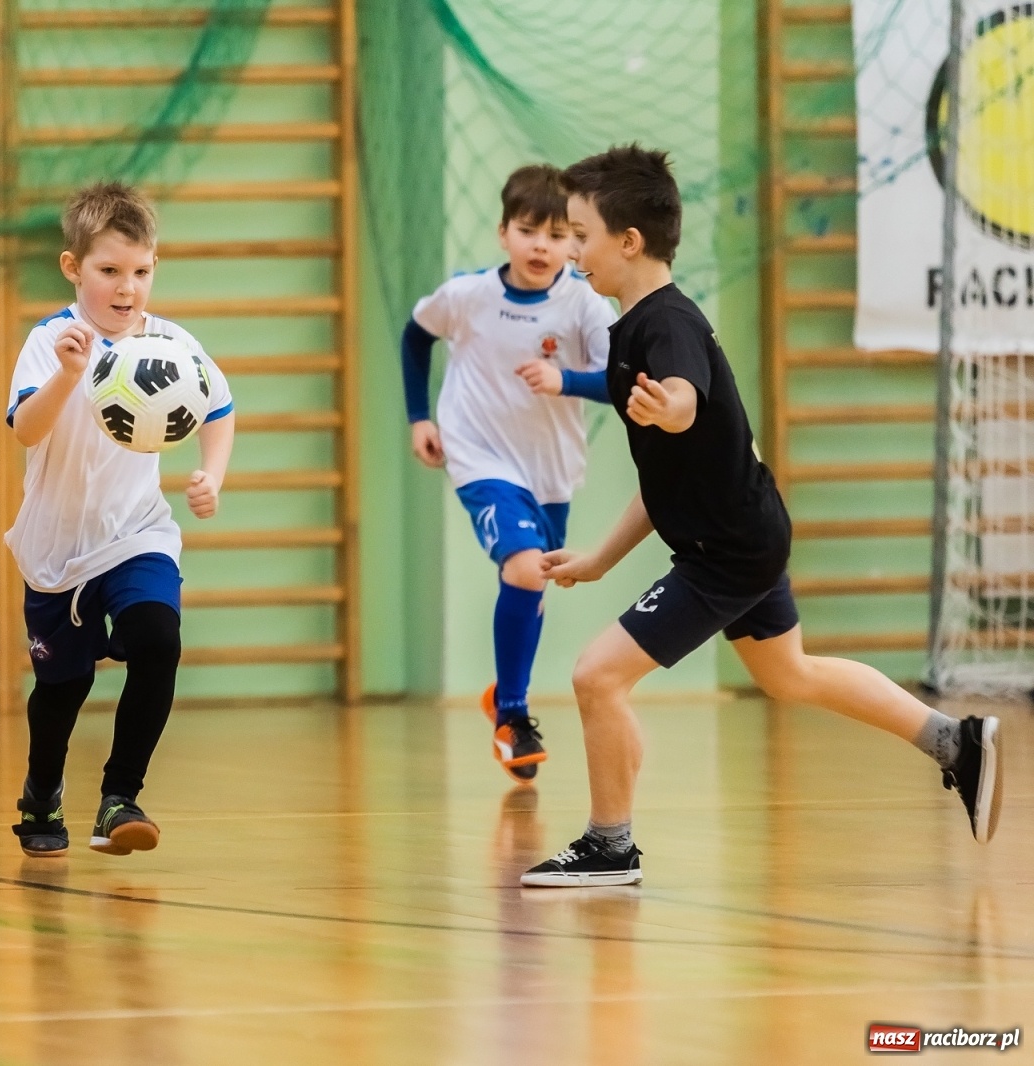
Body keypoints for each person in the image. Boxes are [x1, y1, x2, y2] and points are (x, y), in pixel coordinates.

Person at [523, 144, 1002, 887]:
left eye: (580, 235)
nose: (572, 250)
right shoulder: (635, 329)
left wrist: (674, 411)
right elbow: (665, 479)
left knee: (597, 678)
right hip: (743, 530)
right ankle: (955, 743)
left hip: (728, 550)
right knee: (790, 674)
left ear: (629, 242)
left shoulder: (665, 327)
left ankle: (610, 845)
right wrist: (599, 559)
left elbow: (682, 397)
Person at [5, 181, 235, 858]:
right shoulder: (52, 341)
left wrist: (211, 476)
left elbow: (218, 409)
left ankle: (119, 797)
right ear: (74, 269)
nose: (127, 287)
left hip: (136, 534)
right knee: (63, 691)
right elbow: (24, 429)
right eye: (110, 271)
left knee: (158, 638)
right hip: (55, 551)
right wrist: (67, 377)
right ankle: (42, 791)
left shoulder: (169, 345)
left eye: (142, 271)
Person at [401, 164, 615, 783]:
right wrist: (420, 418)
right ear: (504, 233)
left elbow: (616, 378)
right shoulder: (467, 295)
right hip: (478, 457)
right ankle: (514, 716)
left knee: (535, 582)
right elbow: (417, 337)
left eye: (556, 235)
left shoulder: (583, 303)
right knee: (522, 567)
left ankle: (504, 695)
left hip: (550, 471)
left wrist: (565, 380)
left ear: (574, 243)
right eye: (528, 231)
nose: (541, 246)